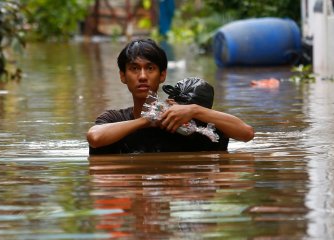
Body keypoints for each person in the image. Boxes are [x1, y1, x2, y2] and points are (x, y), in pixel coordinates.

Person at [87, 39, 254, 155]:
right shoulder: (114, 119)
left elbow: (246, 133)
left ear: (162, 75)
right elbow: (95, 138)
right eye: (134, 68)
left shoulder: (182, 119)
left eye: (150, 68)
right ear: (123, 76)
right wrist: (148, 120)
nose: (143, 76)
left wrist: (194, 110)